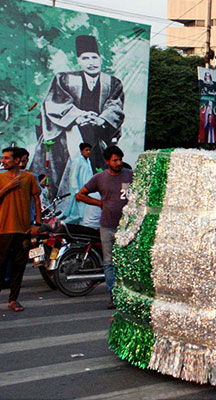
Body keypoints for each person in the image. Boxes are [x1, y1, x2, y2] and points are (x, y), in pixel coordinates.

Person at [33, 34, 125, 192]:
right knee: (61, 169)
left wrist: (101, 119)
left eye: (94, 57)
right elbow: (56, 102)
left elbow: (114, 105)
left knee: (98, 168)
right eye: (85, 58)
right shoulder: (65, 79)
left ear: (100, 59)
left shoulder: (112, 83)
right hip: (68, 133)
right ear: (78, 60)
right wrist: (79, 115)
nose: (91, 63)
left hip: (97, 133)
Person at [75, 146, 132, 309]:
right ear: (108, 162)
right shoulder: (99, 178)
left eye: (120, 159)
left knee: (126, 262)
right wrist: (100, 203)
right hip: (107, 226)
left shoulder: (130, 175)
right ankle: (113, 295)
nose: (118, 163)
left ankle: (127, 295)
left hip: (127, 227)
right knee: (109, 262)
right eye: (115, 160)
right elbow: (80, 195)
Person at [0, 147, 41, 312]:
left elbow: (36, 200)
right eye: (2, 158)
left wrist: (37, 223)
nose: (3, 161)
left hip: (23, 230)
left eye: (6, 158)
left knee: (19, 266)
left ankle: (13, 299)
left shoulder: (29, 177)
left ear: (17, 160)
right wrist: (7, 187)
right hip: (3, 229)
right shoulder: (1, 178)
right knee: (1, 265)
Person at [61, 143, 95, 224]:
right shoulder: (77, 161)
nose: (88, 152)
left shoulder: (88, 162)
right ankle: (61, 226)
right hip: (79, 192)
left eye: (89, 150)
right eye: (86, 150)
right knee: (75, 214)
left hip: (87, 191)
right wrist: (76, 191)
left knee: (83, 213)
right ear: (81, 151)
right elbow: (73, 177)